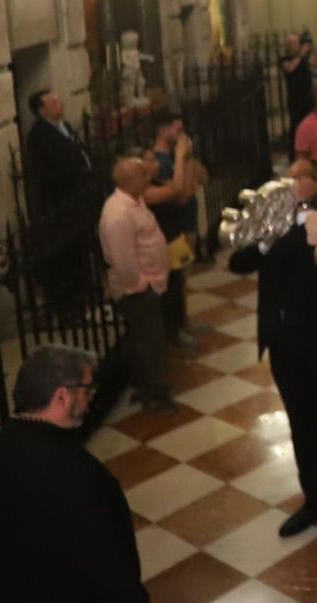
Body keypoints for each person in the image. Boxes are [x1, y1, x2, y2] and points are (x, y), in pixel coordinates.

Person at [0, 344, 149, 603]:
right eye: (87, 389)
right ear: (63, 396)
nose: (91, 398)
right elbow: (98, 548)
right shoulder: (73, 468)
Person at [226, 170, 317, 537]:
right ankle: (316, 499)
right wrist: (268, 238)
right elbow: (237, 262)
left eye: (302, 182)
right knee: (301, 424)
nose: (296, 188)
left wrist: (291, 232)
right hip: (285, 345)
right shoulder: (277, 231)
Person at [98, 156, 175, 412]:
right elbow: (123, 259)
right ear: (129, 181)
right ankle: (154, 393)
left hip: (149, 284)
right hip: (137, 290)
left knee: (150, 338)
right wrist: (141, 283)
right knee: (148, 341)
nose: (148, 178)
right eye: (143, 175)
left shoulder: (134, 202)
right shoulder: (117, 215)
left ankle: (149, 386)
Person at [145, 111, 208, 351]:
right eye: (176, 130)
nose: (181, 135)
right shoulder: (159, 162)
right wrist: (181, 162)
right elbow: (180, 194)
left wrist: (187, 158)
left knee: (183, 277)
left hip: (187, 226)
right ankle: (175, 329)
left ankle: (184, 321)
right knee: (175, 280)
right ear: (162, 131)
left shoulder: (178, 158)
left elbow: (202, 177)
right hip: (173, 229)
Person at [21, 89, 91, 218]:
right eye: (54, 103)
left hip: (81, 188)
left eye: (59, 101)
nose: (61, 105)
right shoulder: (38, 135)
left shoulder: (65, 125)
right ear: (42, 111)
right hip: (62, 195)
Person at [280, 29, 317, 134]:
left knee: (311, 125)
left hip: (308, 96)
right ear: (288, 45)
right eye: (294, 42)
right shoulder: (284, 58)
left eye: (298, 42)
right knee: (297, 127)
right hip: (295, 98)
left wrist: (313, 49)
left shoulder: (304, 57)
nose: (297, 44)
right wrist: (301, 54)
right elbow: (291, 68)